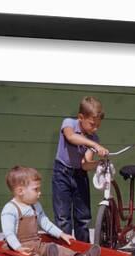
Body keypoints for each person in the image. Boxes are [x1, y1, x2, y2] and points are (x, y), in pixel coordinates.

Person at [1, 166, 101, 256]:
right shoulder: (10, 209)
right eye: (36, 189)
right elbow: (9, 233)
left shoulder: (35, 205)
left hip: (36, 243)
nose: (39, 192)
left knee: (56, 248)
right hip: (18, 246)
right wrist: (18, 248)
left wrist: (61, 234)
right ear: (20, 191)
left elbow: (45, 223)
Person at [51, 96, 109, 243]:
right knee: (63, 217)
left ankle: (84, 252)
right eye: (92, 124)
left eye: (98, 126)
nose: (95, 129)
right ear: (81, 117)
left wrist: (99, 163)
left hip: (80, 175)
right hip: (61, 173)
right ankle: (65, 252)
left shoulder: (93, 138)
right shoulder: (69, 123)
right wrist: (95, 146)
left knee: (83, 218)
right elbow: (70, 137)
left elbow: (85, 164)